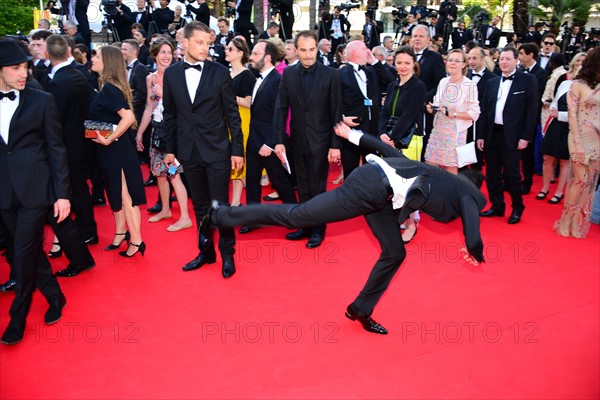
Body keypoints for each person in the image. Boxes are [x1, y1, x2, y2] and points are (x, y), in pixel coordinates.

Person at [209, 124, 486, 335]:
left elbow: (390, 152)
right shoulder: (468, 193)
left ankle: (360, 309)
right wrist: (476, 249)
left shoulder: (435, 176)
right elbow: (471, 218)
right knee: (298, 215)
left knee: (394, 252)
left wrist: (354, 136)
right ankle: (223, 214)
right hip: (369, 189)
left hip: (380, 196)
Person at [0, 39, 70, 345]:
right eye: (16, 67)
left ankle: (18, 317)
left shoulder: (42, 101)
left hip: (35, 189)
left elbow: (57, 149)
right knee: (26, 249)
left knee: (22, 252)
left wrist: (63, 194)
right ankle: (55, 295)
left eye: (26, 66)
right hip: (3, 190)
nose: (23, 73)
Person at [162, 21, 244, 278]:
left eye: (208, 43)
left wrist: (237, 150)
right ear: (184, 43)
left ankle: (227, 254)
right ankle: (205, 251)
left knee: (219, 207)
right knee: (199, 206)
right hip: (188, 150)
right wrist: (169, 149)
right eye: (199, 42)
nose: (205, 48)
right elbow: (170, 115)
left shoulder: (219, 72)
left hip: (218, 149)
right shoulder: (172, 74)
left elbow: (233, 115)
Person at [273, 30, 342, 249]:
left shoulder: (331, 75)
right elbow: (281, 109)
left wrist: (334, 145)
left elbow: (336, 113)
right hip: (297, 140)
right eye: (303, 50)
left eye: (312, 49)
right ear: (296, 50)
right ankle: (304, 224)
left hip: (321, 141)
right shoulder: (289, 75)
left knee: (318, 187)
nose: (308, 54)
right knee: (302, 187)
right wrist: (279, 140)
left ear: (317, 49)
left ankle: (318, 229)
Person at [90, 45, 147, 256]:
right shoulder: (108, 87)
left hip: (117, 150)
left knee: (126, 197)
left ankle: (137, 241)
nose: (92, 58)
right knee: (118, 194)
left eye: (97, 55)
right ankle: (122, 233)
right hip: (111, 150)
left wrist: (108, 140)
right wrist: (96, 133)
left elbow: (129, 118)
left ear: (108, 62)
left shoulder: (110, 89)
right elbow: (109, 120)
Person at [238, 40, 298, 234]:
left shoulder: (277, 81)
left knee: (280, 181)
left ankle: (295, 217)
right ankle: (254, 218)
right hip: (254, 139)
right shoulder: (260, 78)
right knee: (252, 179)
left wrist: (270, 143)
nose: (251, 57)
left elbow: (279, 115)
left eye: (255, 54)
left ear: (268, 57)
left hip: (268, 142)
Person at [135, 39, 192, 232]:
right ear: (155, 55)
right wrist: (140, 132)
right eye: (163, 52)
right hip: (157, 131)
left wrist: (164, 94)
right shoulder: (150, 78)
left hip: (174, 133)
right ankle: (166, 209)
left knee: (174, 175)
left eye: (170, 52)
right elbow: (149, 108)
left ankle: (185, 217)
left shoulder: (179, 76)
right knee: (159, 174)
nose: (167, 55)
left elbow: (186, 107)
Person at [477, 47, 538, 225]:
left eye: (508, 59)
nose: (503, 62)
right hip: (492, 134)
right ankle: (497, 206)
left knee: (512, 175)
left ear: (516, 60)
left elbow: (532, 111)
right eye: (501, 58)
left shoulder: (528, 80)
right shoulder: (492, 82)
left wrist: (525, 137)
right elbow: (484, 111)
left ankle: (518, 207)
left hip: (513, 136)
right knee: (492, 173)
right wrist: (481, 135)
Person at [379, 46, 426, 242]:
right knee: (392, 183)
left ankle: (411, 224)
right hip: (388, 139)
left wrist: (392, 138)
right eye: (399, 63)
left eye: (407, 63)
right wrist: (382, 133)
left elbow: (409, 116)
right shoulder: (392, 86)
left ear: (413, 64)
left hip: (408, 140)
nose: (403, 66)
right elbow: (384, 111)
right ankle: (400, 217)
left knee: (408, 184)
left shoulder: (418, 87)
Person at [555, 47, 600, 238]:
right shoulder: (577, 85)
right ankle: (565, 219)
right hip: (578, 137)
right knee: (579, 180)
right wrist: (578, 143)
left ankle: (577, 221)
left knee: (590, 182)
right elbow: (572, 117)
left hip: (598, 139)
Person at [338, 40, 395, 179]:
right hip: (352, 128)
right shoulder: (339, 74)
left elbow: (391, 79)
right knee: (351, 170)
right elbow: (333, 101)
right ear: (355, 52)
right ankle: (351, 198)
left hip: (372, 128)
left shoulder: (371, 71)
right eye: (365, 49)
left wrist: (374, 61)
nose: (368, 51)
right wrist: (342, 117)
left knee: (374, 170)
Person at [538, 53, 586, 205]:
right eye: (578, 61)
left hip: (571, 128)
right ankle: (545, 188)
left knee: (564, 161)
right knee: (547, 158)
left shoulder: (587, 88)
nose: (580, 64)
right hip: (555, 124)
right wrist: (553, 112)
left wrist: (560, 115)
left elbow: (580, 114)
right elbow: (555, 100)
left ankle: (559, 192)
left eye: (584, 62)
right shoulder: (564, 82)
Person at [425, 49, 480, 175]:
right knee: (430, 167)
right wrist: (432, 109)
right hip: (438, 131)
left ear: (464, 64)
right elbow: (438, 104)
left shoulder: (469, 85)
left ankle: (449, 194)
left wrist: (453, 114)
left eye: (457, 61)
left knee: (451, 171)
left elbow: (474, 113)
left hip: (455, 133)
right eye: (450, 60)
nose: (452, 63)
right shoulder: (443, 82)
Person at [225, 37, 255, 207]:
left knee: (239, 160)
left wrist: (231, 97)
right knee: (231, 162)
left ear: (240, 53)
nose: (226, 51)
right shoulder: (225, 74)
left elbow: (250, 103)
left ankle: (239, 202)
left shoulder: (247, 75)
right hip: (226, 121)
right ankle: (235, 203)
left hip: (242, 120)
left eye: (230, 49)